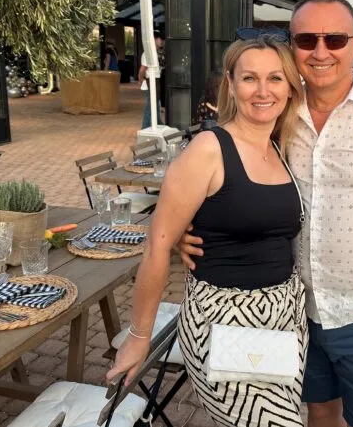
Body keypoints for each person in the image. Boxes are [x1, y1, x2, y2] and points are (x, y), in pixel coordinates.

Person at [179, 0, 353, 427]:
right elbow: (229, 182)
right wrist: (187, 230)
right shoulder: (278, 115)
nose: (321, 51)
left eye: (335, 39)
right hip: (296, 310)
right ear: (293, 46)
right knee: (321, 413)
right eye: (307, 40)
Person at [108, 35, 308, 425]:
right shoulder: (209, 148)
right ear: (230, 84)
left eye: (275, 78)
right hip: (222, 322)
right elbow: (157, 245)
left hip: (285, 321)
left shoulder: (280, 147)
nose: (263, 90)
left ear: (289, 88)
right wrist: (138, 337)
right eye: (249, 78)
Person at [139, 32, 164, 129]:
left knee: (156, 104)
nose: (161, 41)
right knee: (150, 106)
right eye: (160, 39)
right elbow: (143, 69)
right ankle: (145, 127)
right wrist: (141, 79)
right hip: (150, 80)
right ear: (154, 39)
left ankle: (158, 124)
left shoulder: (156, 52)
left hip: (155, 80)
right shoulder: (148, 53)